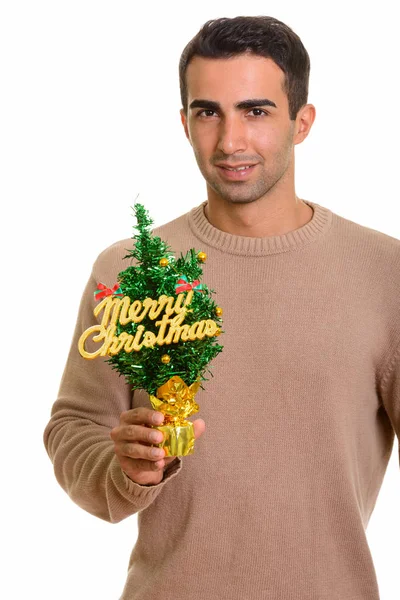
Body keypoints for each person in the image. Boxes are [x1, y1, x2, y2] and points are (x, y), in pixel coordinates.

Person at [43, 15, 400, 600]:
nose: (230, 140)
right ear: (184, 123)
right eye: (208, 112)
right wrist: (124, 470)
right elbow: (73, 428)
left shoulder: (386, 273)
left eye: (256, 111)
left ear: (302, 122)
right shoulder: (131, 271)